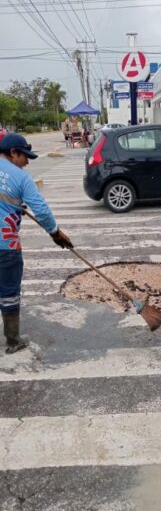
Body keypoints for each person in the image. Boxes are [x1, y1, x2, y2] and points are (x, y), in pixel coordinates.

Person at [0, 133, 73, 353]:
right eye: (25, 156)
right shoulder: (21, 178)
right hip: (6, 246)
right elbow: (41, 211)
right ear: (13, 153)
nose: (27, 161)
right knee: (9, 291)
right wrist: (55, 233)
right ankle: (13, 340)